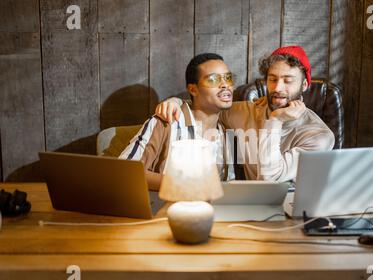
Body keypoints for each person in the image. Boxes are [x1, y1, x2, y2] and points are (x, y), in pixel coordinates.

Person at [156, 45, 335, 182]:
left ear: (304, 85)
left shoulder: (319, 135)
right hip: (252, 208)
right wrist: (176, 102)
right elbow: (205, 107)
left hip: (295, 212)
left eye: (288, 80)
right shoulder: (248, 111)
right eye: (273, 79)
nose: (278, 88)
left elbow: (269, 179)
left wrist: (275, 120)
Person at [119, 53, 236, 191]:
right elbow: (124, 171)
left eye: (227, 78)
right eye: (213, 80)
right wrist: (179, 184)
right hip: (164, 208)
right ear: (193, 89)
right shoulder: (166, 122)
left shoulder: (226, 132)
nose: (224, 85)